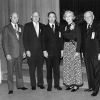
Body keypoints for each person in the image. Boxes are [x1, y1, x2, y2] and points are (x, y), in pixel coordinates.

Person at [2, 12, 27, 94]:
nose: (15, 19)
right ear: (10, 18)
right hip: (11, 54)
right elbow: (4, 42)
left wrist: (23, 51)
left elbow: (22, 41)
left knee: (19, 70)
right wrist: (7, 54)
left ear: (18, 18)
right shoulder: (6, 28)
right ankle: (10, 88)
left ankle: (20, 85)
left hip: (19, 53)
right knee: (10, 71)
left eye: (16, 17)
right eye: (14, 17)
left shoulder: (21, 27)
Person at [61, 10, 83, 92]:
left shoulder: (76, 26)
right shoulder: (66, 27)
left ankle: (75, 85)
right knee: (68, 66)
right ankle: (70, 84)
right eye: (66, 16)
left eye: (70, 16)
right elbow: (64, 38)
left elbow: (79, 39)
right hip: (67, 47)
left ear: (73, 17)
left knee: (74, 67)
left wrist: (77, 51)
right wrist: (62, 49)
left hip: (74, 47)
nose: (68, 17)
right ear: (65, 18)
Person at [23, 12, 45, 90]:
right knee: (31, 69)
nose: (36, 17)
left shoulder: (43, 26)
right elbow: (25, 39)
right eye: (34, 16)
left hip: (40, 52)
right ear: (31, 17)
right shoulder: (27, 26)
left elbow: (44, 40)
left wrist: (45, 50)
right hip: (31, 52)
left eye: (37, 16)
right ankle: (33, 84)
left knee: (40, 69)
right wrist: (27, 50)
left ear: (39, 17)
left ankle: (40, 83)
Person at [81, 11, 100, 96]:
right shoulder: (83, 27)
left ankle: (96, 89)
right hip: (86, 53)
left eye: (89, 16)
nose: (88, 18)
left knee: (96, 72)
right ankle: (91, 87)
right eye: (86, 17)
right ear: (84, 18)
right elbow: (82, 41)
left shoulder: (98, 26)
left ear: (93, 16)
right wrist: (82, 52)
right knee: (89, 71)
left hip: (96, 53)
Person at [43, 12, 62, 91]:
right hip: (48, 52)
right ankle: (49, 85)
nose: (51, 18)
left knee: (56, 70)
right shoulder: (44, 28)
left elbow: (61, 40)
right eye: (50, 17)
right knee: (49, 70)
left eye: (53, 17)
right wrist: (44, 51)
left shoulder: (58, 27)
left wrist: (62, 50)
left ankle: (57, 85)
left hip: (57, 53)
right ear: (48, 18)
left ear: (55, 18)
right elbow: (42, 40)